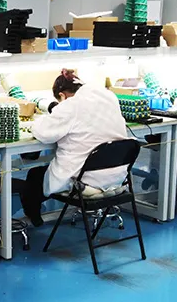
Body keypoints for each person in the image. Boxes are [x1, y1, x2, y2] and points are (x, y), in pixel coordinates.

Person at [21, 69, 128, 226]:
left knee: (34, 176)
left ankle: (34, 220)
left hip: (86, 180)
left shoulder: (71, 105)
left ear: (62, 95)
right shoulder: (109, 97)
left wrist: (36, 122)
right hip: (118, 176)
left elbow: (43, 132)